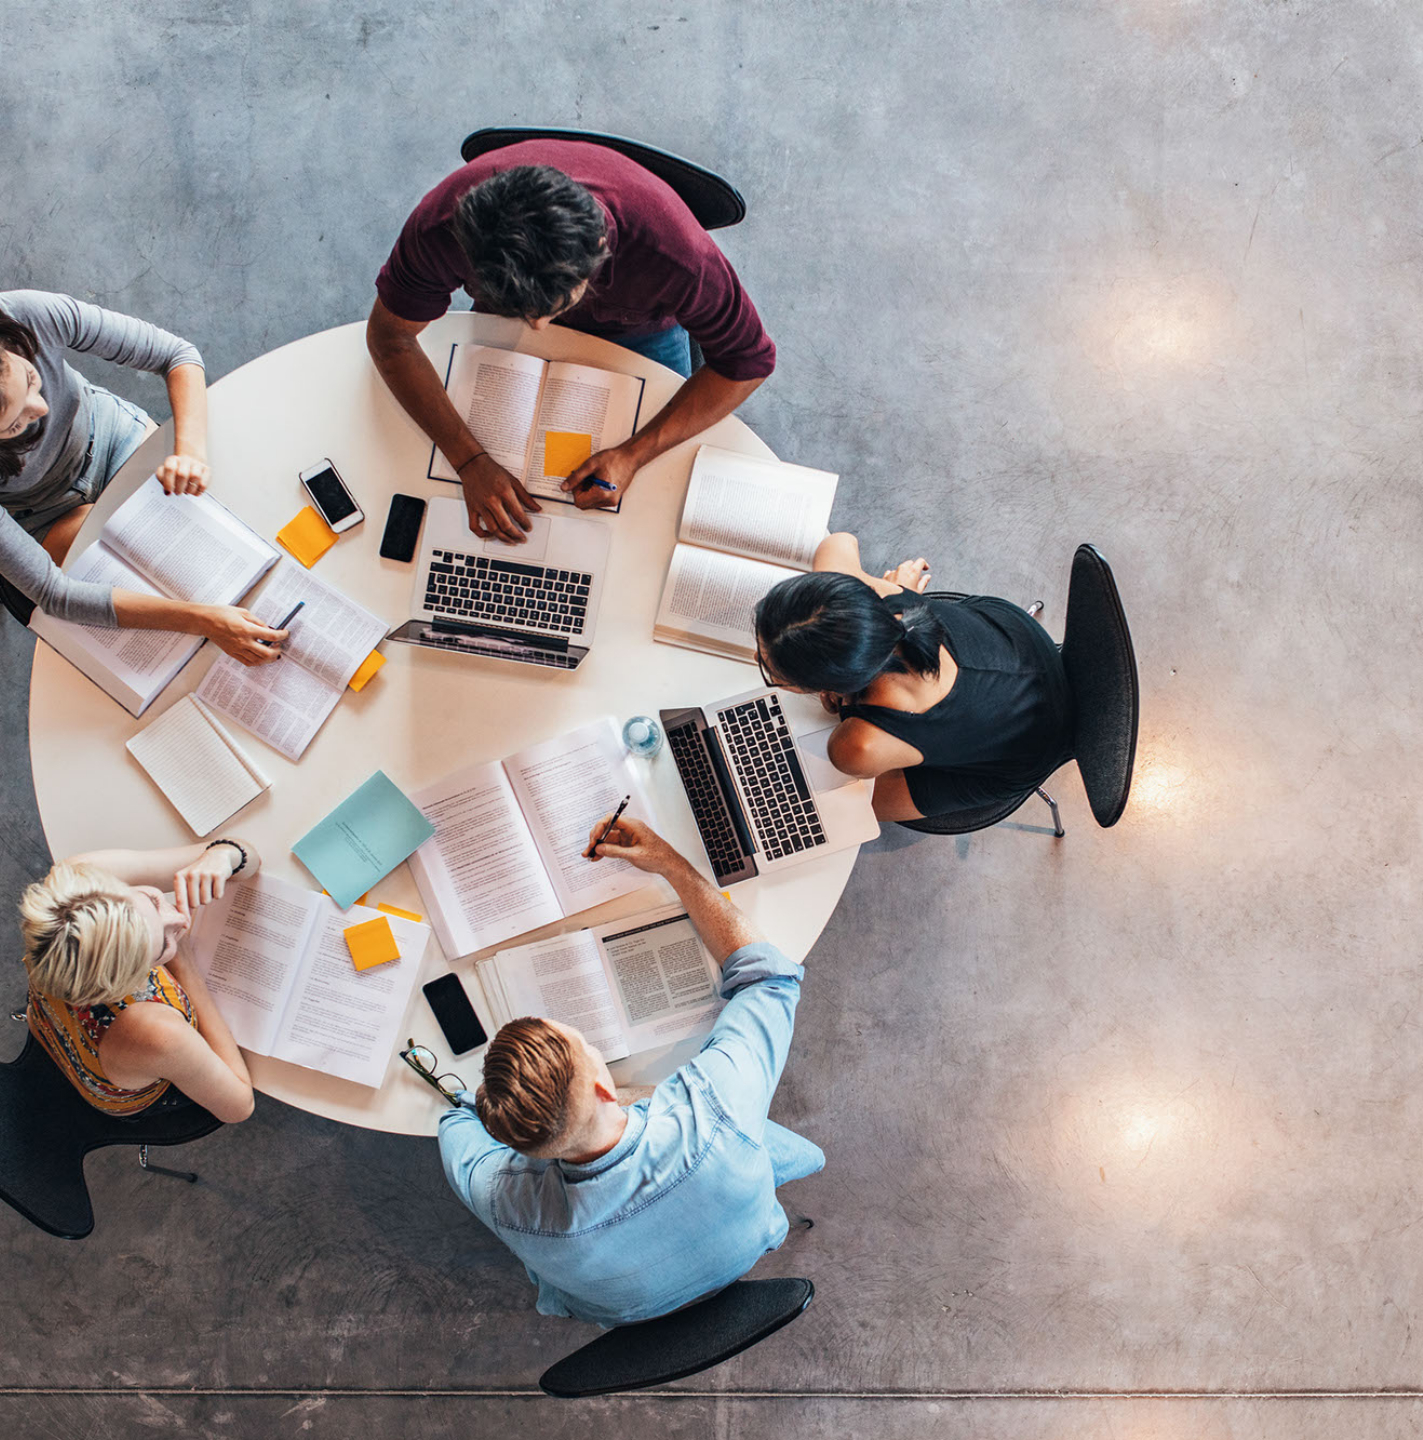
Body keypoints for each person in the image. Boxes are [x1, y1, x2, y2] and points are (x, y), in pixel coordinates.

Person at [435, 816, 821, 1326]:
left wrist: (489, 1104)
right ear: (602, 1085)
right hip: (748, 1241)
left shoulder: (505, 1201)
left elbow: (455, 1122)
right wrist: (670, 863)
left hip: (626, 1312)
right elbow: (769, 979)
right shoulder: (713, 1112)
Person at [367, 138, 776, 541]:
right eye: (525, 311)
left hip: (641, 332)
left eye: (553, 306)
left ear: (600, 249)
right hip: (507, 324)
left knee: (648, 503)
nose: (538, 329)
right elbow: (391, 339)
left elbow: (748, 363)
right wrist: (469, 459)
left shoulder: (678, 257)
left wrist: (634, 453)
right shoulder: (441, 226)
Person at [0, 291, 286, 664]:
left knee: (230, 527)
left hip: (116, 440)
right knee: (163, 596)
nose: (41, 409)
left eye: (30, 378)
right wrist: (201, 621)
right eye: (14, 424)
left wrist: (189, 451)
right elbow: (53, 593)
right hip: (44, 513)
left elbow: (177, 355)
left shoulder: (25, 313)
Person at [753, 535, 1075, 822]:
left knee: (843, 808)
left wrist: (845, 705)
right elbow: (837, 543)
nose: (756, 658)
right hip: (1021, 643)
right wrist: (898, 592)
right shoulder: (875, 594)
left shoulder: (855, 746)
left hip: (1027, 751)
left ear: (825, 684)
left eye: (772, 673)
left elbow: (852, 747)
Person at [17, 839, 260, 1124]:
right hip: (125, 1088)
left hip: (50, 1022)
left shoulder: (78, 881)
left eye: (153, 900)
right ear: (129, 982)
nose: (180, 919)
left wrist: (223, 856)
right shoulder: (156, 1031)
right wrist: (185, 967)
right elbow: (239, 1106)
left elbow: (247, 855)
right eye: (162, 947)